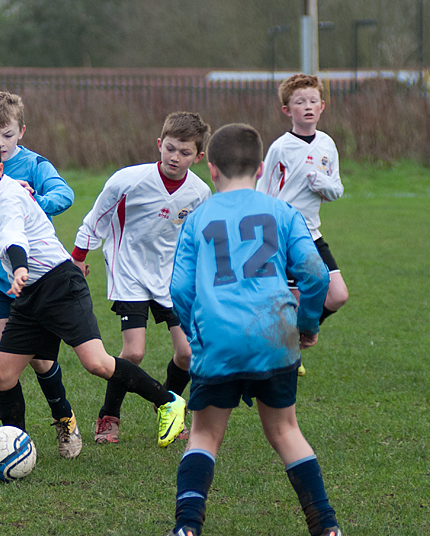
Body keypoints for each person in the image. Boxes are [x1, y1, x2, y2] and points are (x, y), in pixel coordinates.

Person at [0, 131, 186, 452]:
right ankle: (15, 447)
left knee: (97, 364)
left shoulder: (6, 199)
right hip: (30, 294)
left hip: (59, 284)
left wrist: (20, 267)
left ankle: (168, 402)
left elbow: (12, 238)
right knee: (3, 374)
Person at [167, 123, 341, 536]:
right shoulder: (283, 212)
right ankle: (326, 526)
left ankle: (187, 527)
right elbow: (316, 277)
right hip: (275, 335)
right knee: (285, 430)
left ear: (211, 168)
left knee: (205, 435)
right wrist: (307, 324)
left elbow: (178, 288)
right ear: (262, 168)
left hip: (219, 339)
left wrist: (197, 333)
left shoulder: (198, 217)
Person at [0, 92, 81, 471]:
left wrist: (31, 198)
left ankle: (65, 420)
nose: (1, 144)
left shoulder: (34, 165)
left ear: (20, 132)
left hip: (36, 279)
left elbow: (65, 195)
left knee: (41, 362)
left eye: (8, 135)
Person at [71, 111, 211, 444]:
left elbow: (197, 237)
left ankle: (169, 408)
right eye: (171, 149)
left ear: (199, 157)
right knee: (133, 353)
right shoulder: (128, 180)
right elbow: (96, 219)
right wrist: (78, 258)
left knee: (189, 353)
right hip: (128, 268)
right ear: (160, 145)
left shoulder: (200, 192)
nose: (176, 157)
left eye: (185, 152)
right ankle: (109, 416)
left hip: (172, 275)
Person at [256, 74, 348, 376]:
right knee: (293, 303)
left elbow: (335, 191)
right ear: (287, 110)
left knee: (337, 295)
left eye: (312, 101)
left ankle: (295, 339)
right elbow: (263, 191)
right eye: (299, 102)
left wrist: (320, 181)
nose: (307, 107)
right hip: (283, 235)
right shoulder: (281, 148)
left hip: (312, 233)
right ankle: (284, 358)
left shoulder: (327, 144)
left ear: (322, 107)